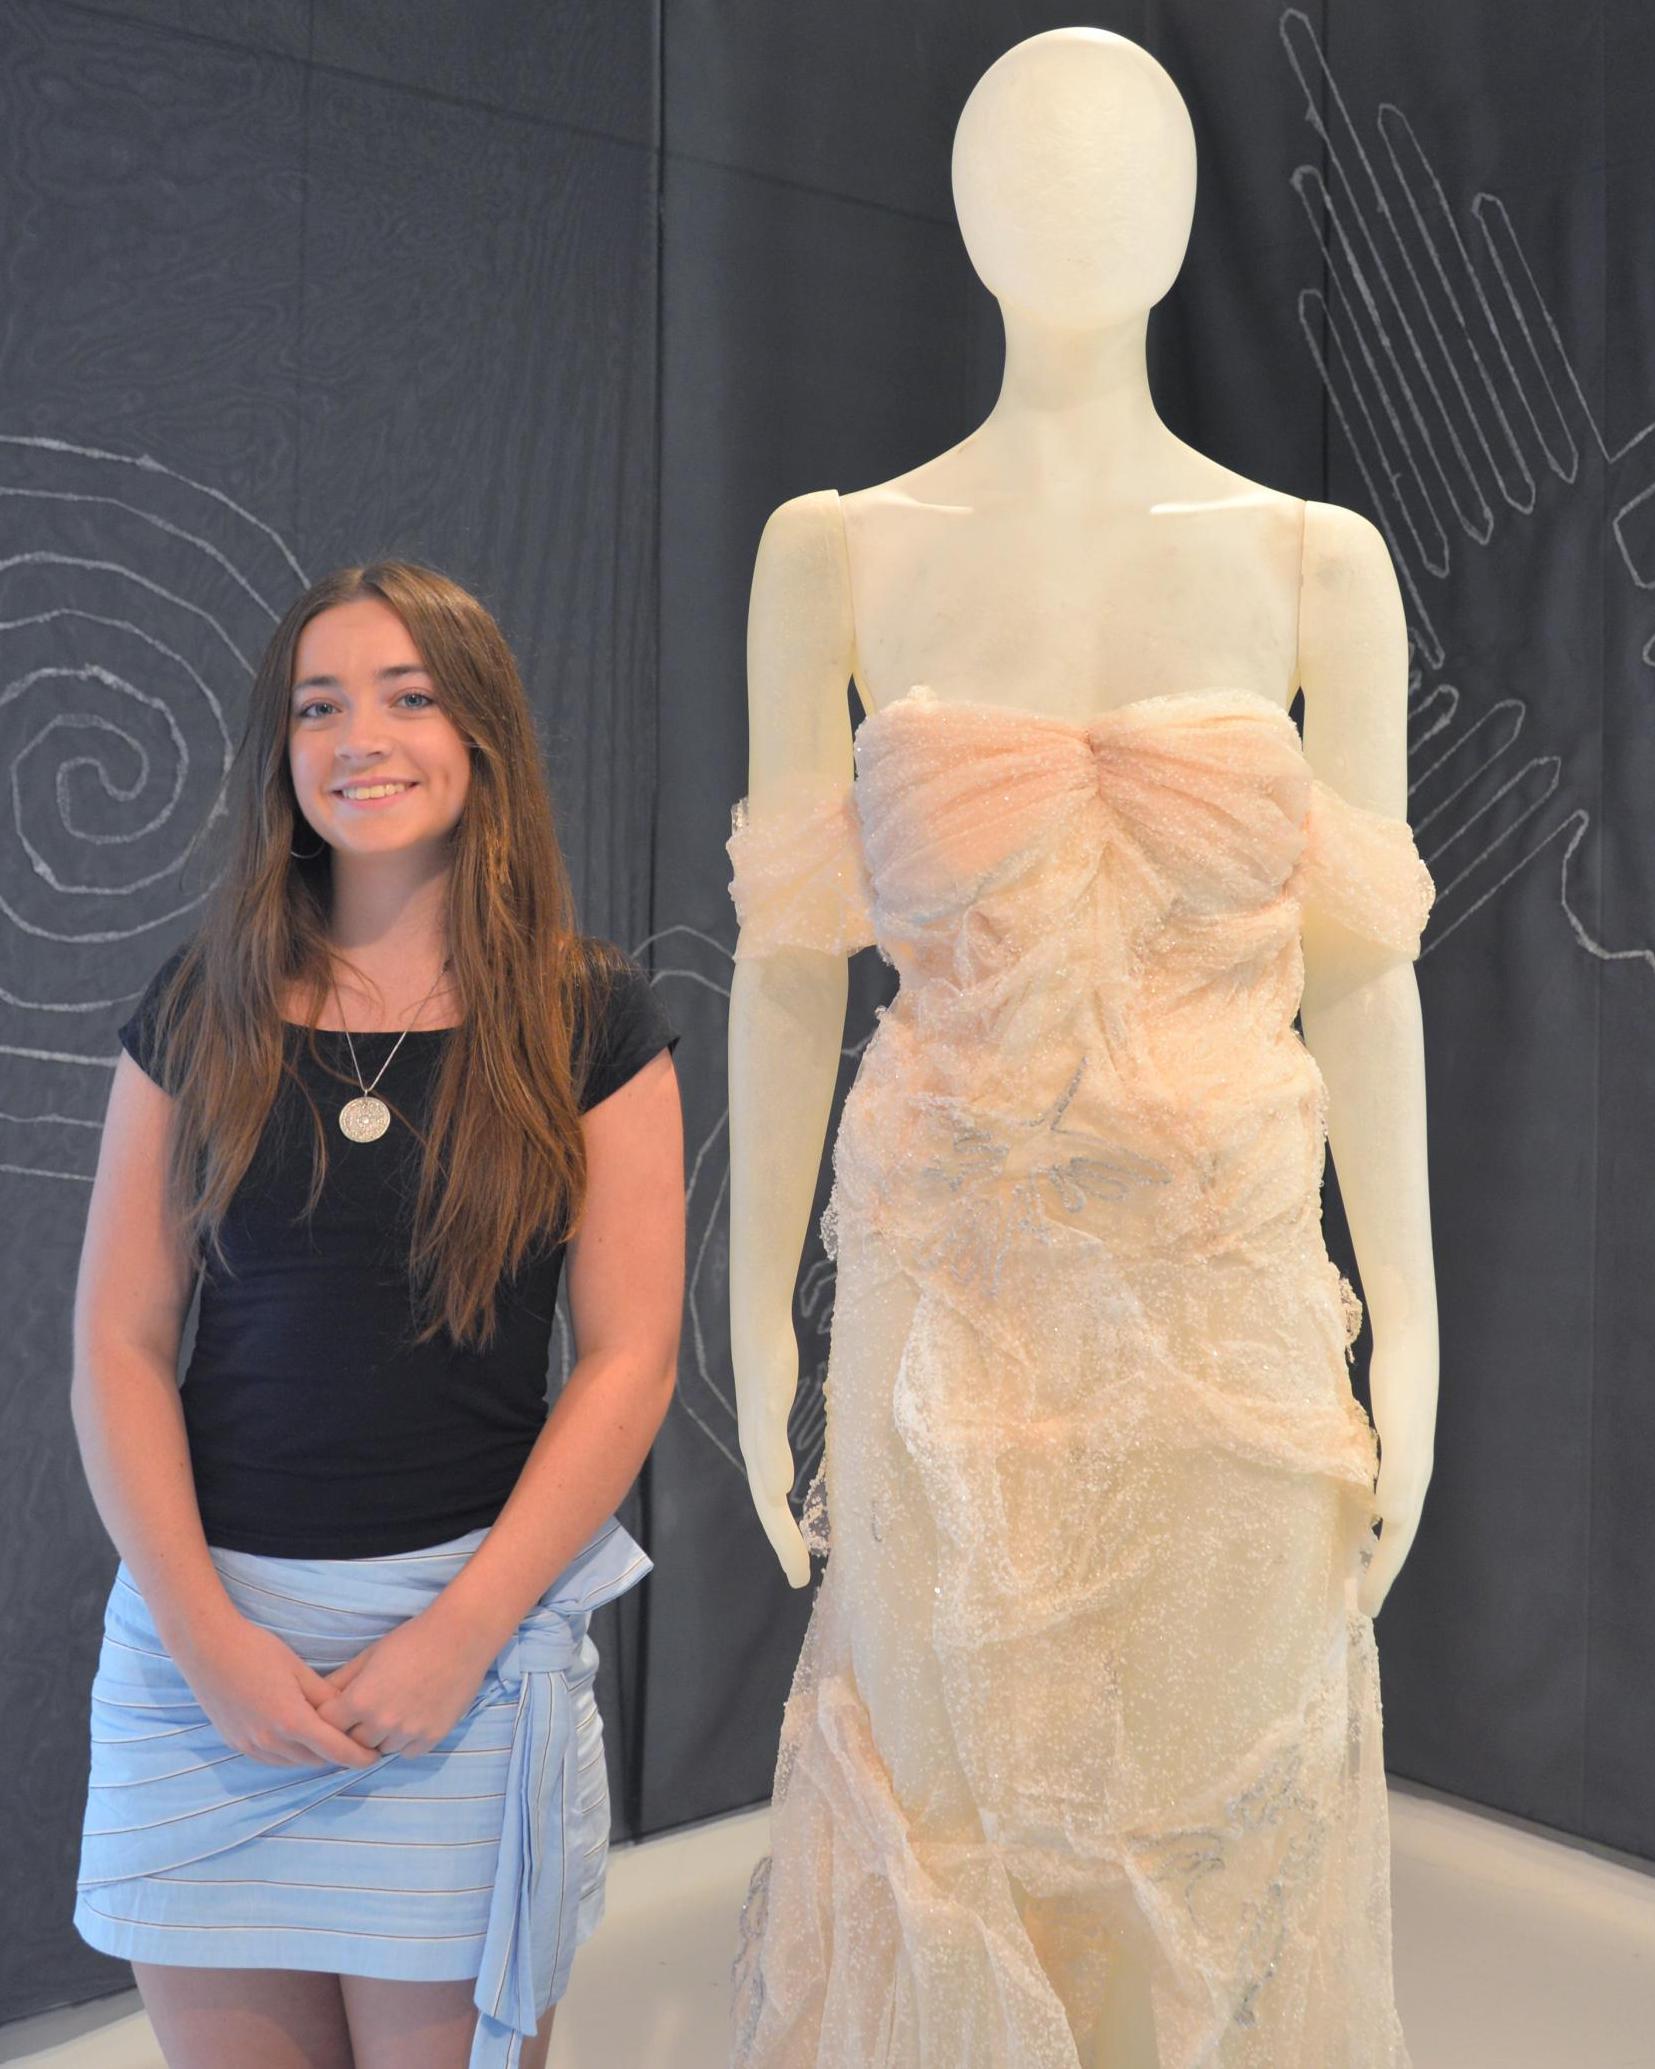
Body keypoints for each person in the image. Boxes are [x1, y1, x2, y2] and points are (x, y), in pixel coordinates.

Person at [69, 560, 684, 2069]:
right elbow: (116, 1346)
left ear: (481, 737)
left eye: (411, 698)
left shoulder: (588, 1016)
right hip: (209, 1655)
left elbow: (627, 1357)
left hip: (459, 1663)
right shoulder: (196, 1004)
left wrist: (461, 1634)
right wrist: (209, 1641)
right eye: (320, 704)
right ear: (282, 755)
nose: (365, 737)